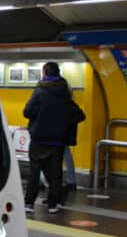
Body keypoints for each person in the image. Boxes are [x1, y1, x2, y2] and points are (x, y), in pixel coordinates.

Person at [23, 62, 85, 213]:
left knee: (35, 170)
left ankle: (29, 203)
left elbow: (27, 112)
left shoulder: (39, 91)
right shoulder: (65, 93)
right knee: (55, 171)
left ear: (45, 72)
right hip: (57, 140)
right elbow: (79, 115)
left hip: (39, 138)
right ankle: (53, 204)